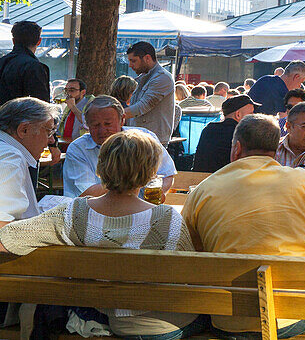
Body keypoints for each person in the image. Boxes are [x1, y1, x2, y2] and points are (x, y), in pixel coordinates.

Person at [0, 130, 204, 339]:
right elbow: (190, 277)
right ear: (150, 172)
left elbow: (6, 239)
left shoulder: (72, 213)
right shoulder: (166, 218)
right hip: (160, 326)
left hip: (104, 315)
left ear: (101, 167)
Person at [182, 114, 305, 336]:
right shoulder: (304, 180)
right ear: (276, 150)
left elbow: (194, 248)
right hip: (288, 314)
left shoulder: (202, 189)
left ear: (237, 148)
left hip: (226, 317)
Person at [64, 96, 177, 197]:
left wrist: (155, 196)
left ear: (122, 120)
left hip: (142, 211)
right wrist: (132, 180)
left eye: (108, 124)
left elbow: (167, 174)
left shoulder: (144, 138)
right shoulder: (78, 149)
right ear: (87, 124)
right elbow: (86, 193)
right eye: (95, 125)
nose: (102, 130)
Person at [0, 97, 60, 225]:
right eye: (48, 132)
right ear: (24, 130)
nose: (51, 141)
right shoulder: (11, 158)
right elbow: (3, 223)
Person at [123, 42, 176, 144]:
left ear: (147, 58)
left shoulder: (162, 78)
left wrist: (112, 115)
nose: (130, 65)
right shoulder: (145, 77)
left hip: (153, 143)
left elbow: (142, 107)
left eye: (133, 61)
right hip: (140, 139)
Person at [192, 95, 258, 173]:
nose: (253, 117)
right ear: (238, 115)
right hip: (228, 181)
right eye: (251, 114)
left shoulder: (208, 129)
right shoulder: (243, 133)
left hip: (202, 180)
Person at [0, 21, 50, 105]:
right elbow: (41, 106)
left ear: (13, 41)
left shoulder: (2, 62)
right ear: (39, 41)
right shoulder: (34, 67)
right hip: (21, 116)